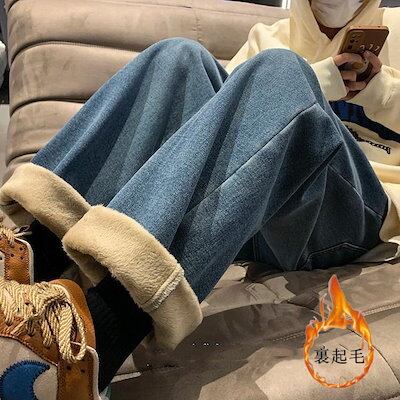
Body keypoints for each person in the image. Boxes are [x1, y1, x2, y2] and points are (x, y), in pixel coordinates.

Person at [0, 0, 398, 398]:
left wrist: (378, 91)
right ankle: (28, 262)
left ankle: (90, 344)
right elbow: (216, 120)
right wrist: (323, 78)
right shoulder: (270, 35)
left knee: (284, 72)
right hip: (258, 219)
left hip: (356, 217)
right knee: (178, 58)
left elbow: (283, 87)